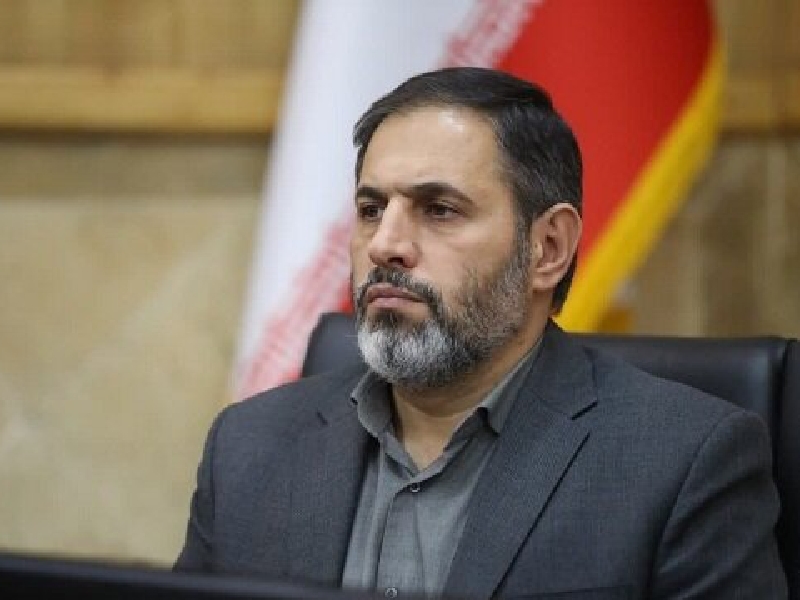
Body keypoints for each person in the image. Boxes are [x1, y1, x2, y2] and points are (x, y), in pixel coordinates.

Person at [175, 67, 788, 599]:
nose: (385, 244)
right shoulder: (249, 447)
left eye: (439, 209)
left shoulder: (684, 462)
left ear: (548, 249)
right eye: (370, 210)